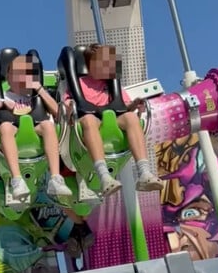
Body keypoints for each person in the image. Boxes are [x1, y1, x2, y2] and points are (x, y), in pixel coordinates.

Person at [61, 43, 165, 196]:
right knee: (89, 119)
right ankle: (104, 176)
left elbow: (124, 107)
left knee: (130, 118)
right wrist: (69, 106)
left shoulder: (112, 86)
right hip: (90, 123)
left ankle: (144, 172)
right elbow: (68, 105)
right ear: (89, 65)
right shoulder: (78, 84)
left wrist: (136, 105)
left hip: (112, 122)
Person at [0, 53, 72, 202]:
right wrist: (0, 104)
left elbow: (58, 114)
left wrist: (39, 89)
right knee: (5, 127)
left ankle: (55, 178)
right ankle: (16, 180)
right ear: (8, 76)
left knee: (48, 125)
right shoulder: (2, 96)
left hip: (35, 134)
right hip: (12, 132)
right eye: (17, 73)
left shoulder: (35, 96)